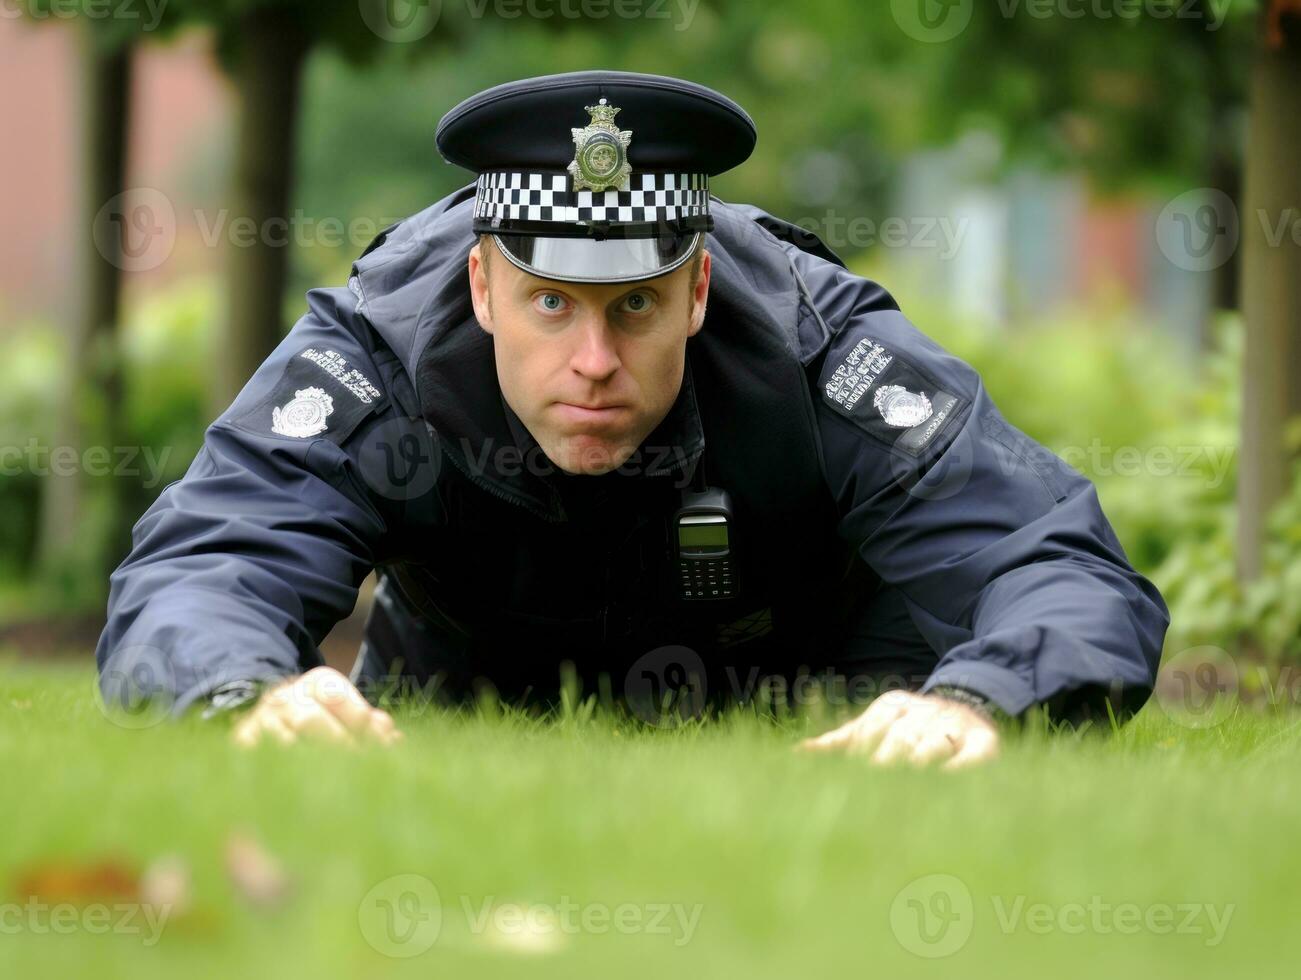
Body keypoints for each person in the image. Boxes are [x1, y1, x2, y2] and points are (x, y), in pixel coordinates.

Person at [95, 70, 1169, 767]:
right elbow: (203, 561)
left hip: (822, 737)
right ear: (480, 285)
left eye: (636, 306)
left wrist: (979, 699)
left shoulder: (813, 344)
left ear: (697, 290)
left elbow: (1058, 563)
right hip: (454, 725)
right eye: (550, 303)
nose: (595, 361)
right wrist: (238, 688)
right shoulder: (377, 352)